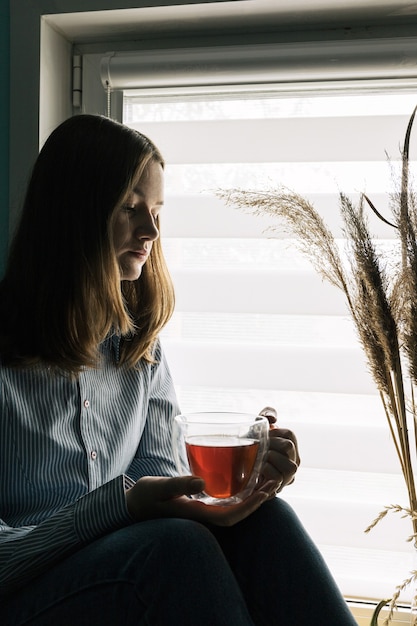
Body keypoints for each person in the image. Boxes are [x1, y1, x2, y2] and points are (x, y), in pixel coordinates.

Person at [0, 114, 357, 626]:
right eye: (130, 208)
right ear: (73, 214)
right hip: (24, 600)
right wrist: (118, 508)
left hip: (129, 571)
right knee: (174, 547)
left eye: (157, 210)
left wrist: (240, 479)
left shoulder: (138, 348)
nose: (152, 231)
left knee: (263, 521)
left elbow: (167, 484)